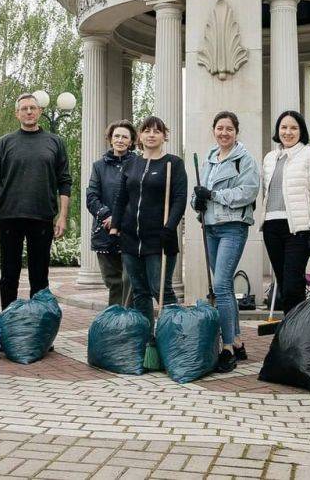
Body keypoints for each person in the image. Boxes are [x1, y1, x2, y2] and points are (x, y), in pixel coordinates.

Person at [0, 93, 72, 311]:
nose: (28, 111)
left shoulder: (55, 142)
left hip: (42, 217)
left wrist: (62, 216)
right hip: (9, 217)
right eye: (23, 108)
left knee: (40, 277)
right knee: (8, 275)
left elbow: (64, 182)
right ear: (17, 114)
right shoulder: (5, 143)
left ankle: (38, 329)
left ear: (40, 111)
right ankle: (8, 323)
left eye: (32, 108)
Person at [192, 111, 261, 373]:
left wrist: (213, 195)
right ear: (213, 130)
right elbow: (198, 193)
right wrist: (196, 199)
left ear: (236, 132)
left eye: (229, 129)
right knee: (225, 289)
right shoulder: (209, 159)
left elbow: (248, 192)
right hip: (209, 227)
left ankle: (228, 347)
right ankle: (239, 341)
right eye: (220, 128)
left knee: (220, 285)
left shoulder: (244, 160)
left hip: (233, 227)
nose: (224, 133)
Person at [109, 116, 187, 327]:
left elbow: (180, 199)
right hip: (131, 238)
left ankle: (175, 332)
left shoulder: (173, 163)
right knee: (139, 291)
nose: (151, 135)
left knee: (160, 289)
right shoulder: (132, 163)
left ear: (164, 136)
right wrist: (115, 225)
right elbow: (121, 197)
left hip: (160, 238)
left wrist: (169, 227)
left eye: (157, 131)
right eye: (147, 130)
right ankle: (146, 336)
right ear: (140, 136)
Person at [260, 110, 310, 314]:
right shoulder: (271, 157)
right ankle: (291, 332)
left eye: (293, 127)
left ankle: (298, 336)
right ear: (277, 130)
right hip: (272, 227)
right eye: (283, 127)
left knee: (292, 286)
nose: (288, 132)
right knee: (283, 286)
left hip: (297, 229)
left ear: (301, 131)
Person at [86, 120, 138, 307]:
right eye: (116, 136)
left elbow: (139, 196)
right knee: (113, 281)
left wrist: (120, 219)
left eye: (125, 137)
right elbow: (91, 196)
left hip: (130, 230)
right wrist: (108, 217)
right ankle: (114, 323)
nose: (120, 140)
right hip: (104, 232)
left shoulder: (138, 164)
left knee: (130, 278)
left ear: (131, 141)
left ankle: (127, 322)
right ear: (110, 139)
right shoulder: (99, 166)